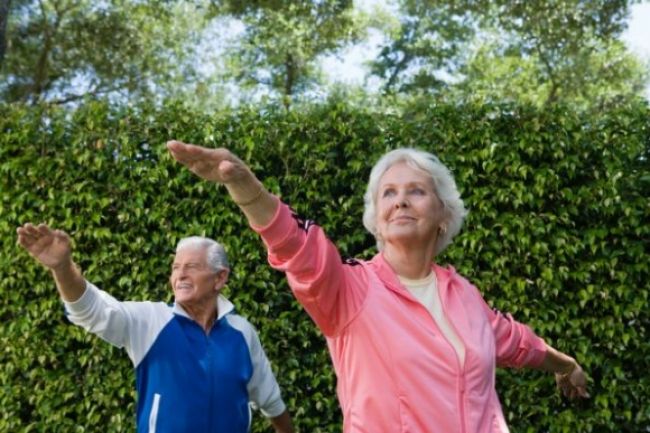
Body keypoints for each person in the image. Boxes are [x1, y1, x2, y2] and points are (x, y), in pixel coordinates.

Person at [166, 141, 589, 433]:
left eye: (416, 191)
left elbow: (518, 344)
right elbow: (297, 246)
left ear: (444, 214)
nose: (400, 200)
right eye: (388, 193)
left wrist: (566, 365)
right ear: (377, 218)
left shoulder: (466, 296)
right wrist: (246, 187)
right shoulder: (351, 290)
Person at [16, 224, 294, 433]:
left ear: (220, 278)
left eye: (192, 267)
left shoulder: (242, 332)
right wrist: (63, 268)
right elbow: (89, 311)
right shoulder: (150, 321)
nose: (180, 275)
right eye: (175, 267)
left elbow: (271, 401)